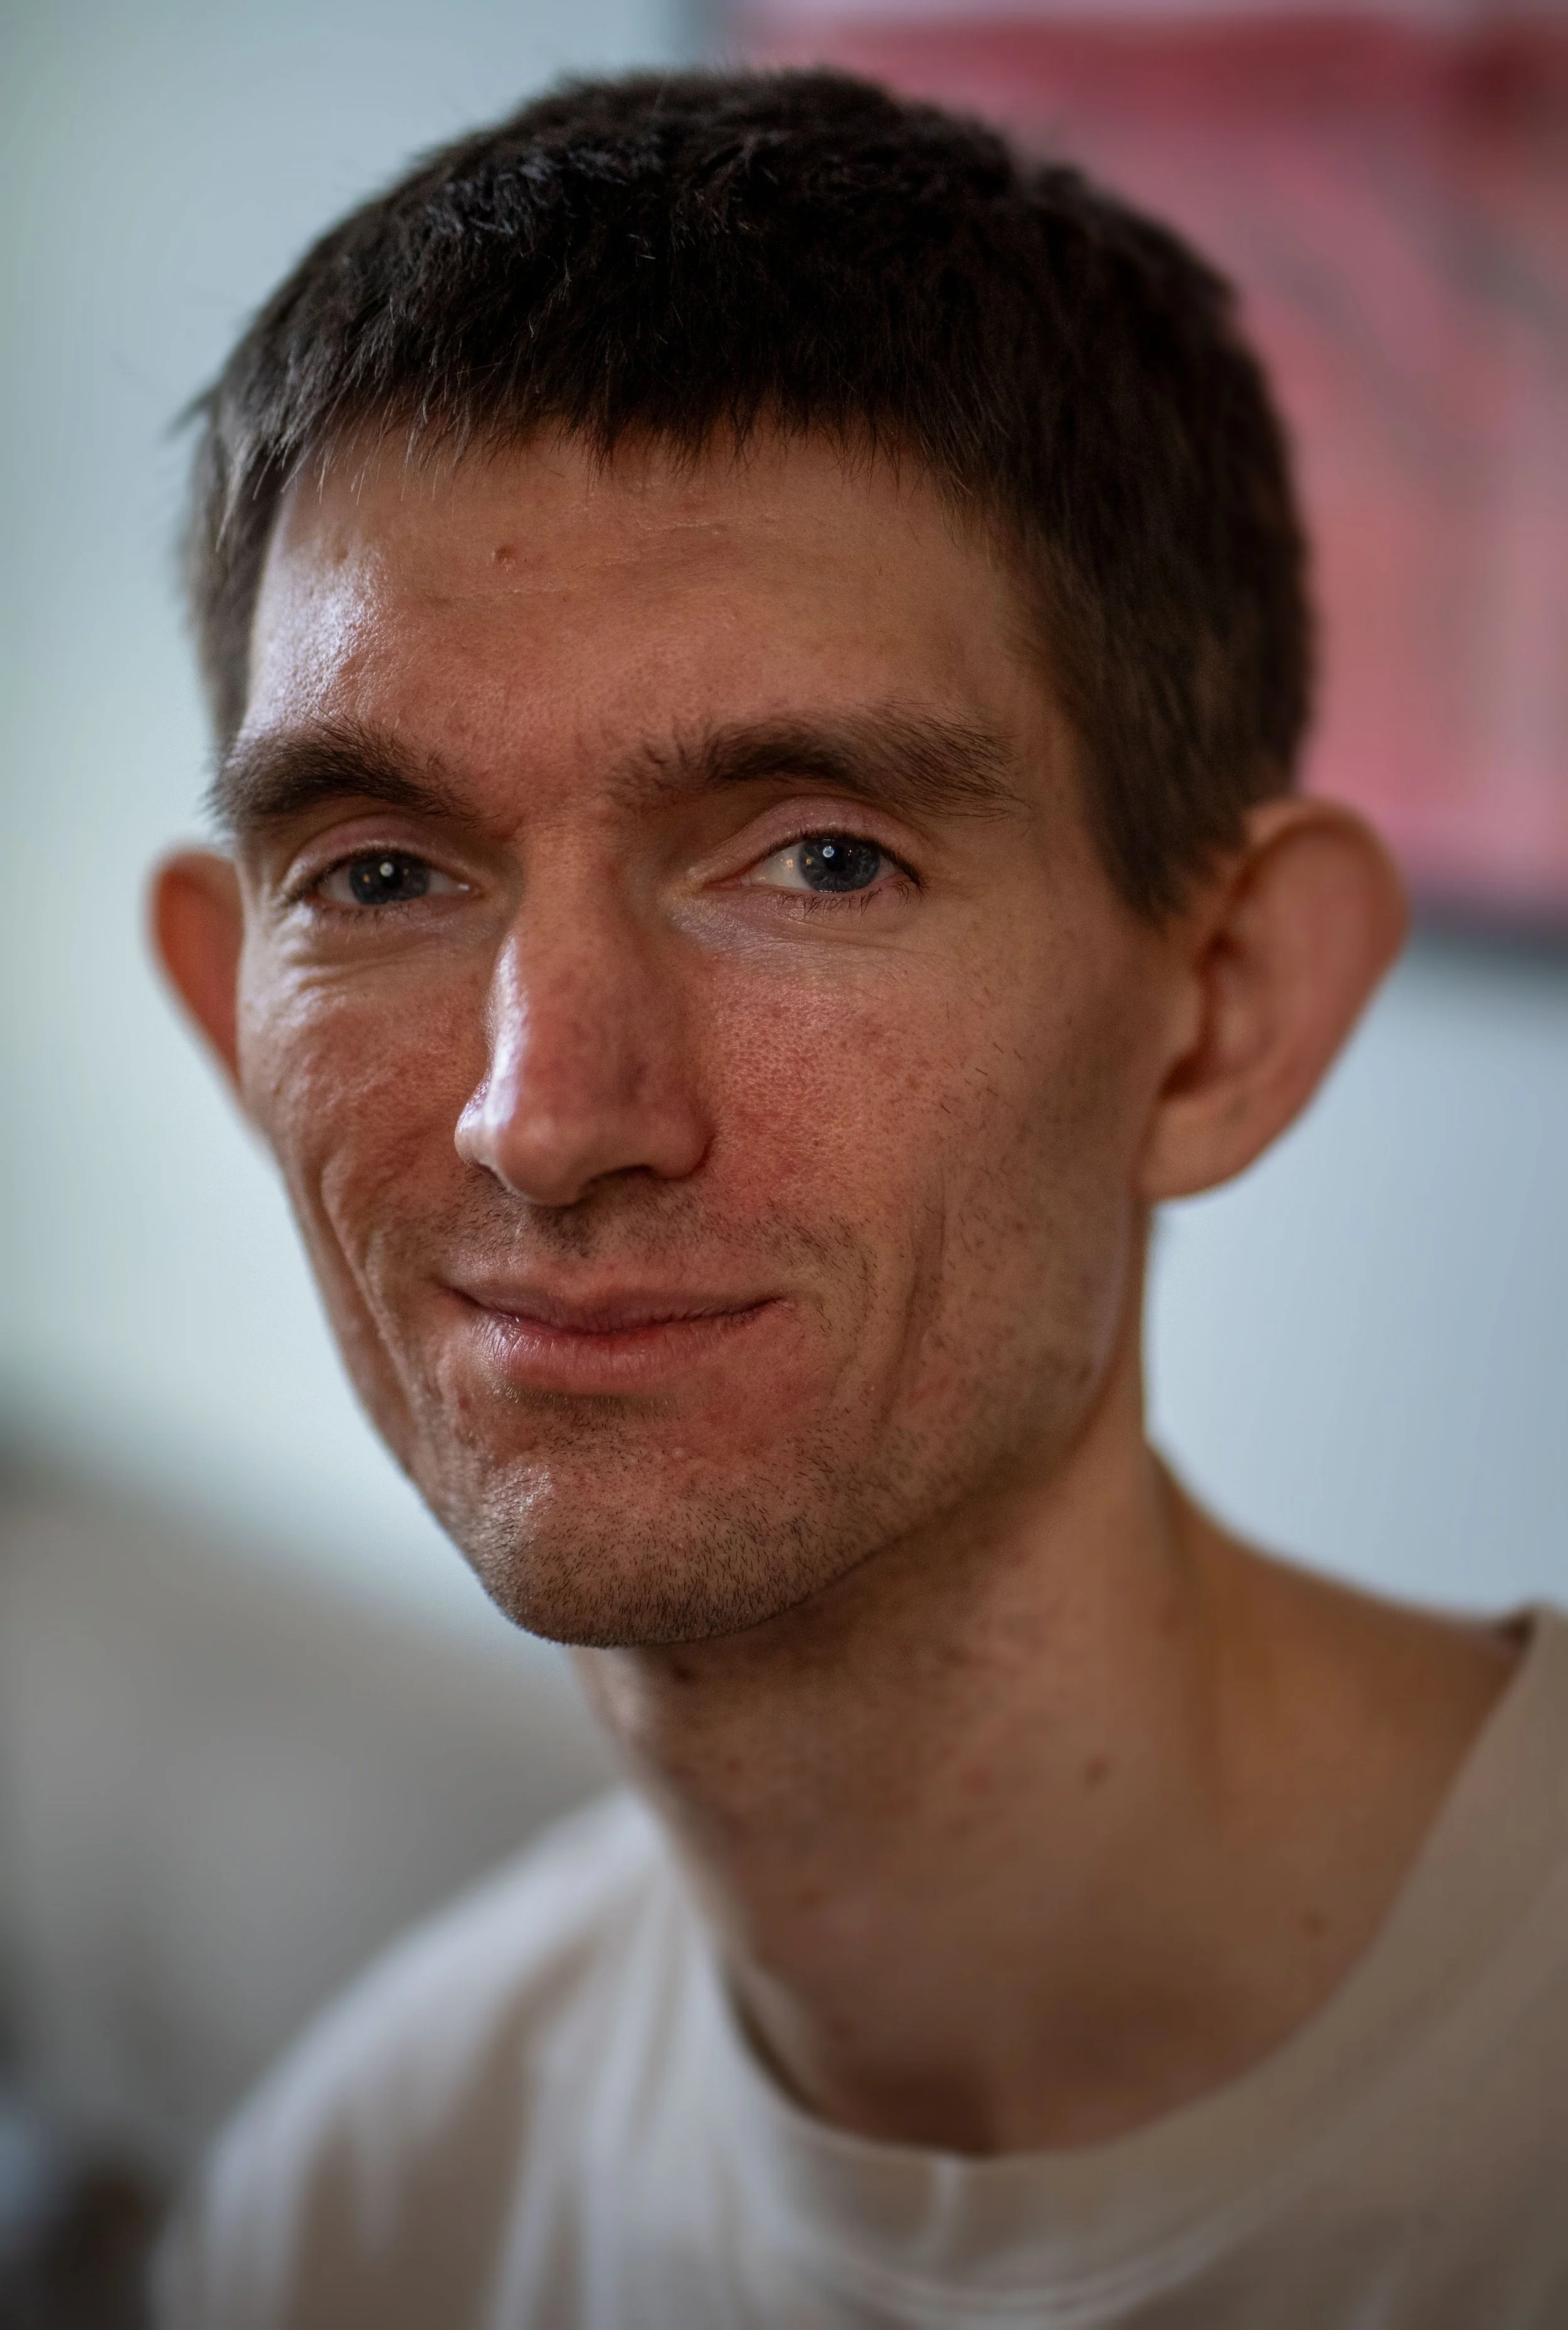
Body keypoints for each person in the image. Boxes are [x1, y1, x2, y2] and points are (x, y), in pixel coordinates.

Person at [150, 68, 1567, 2330]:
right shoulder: (359, 2216)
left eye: (819, 856)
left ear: (1219, 1010)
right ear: (236, 1013)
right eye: (385, 872)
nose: (543, 1115)